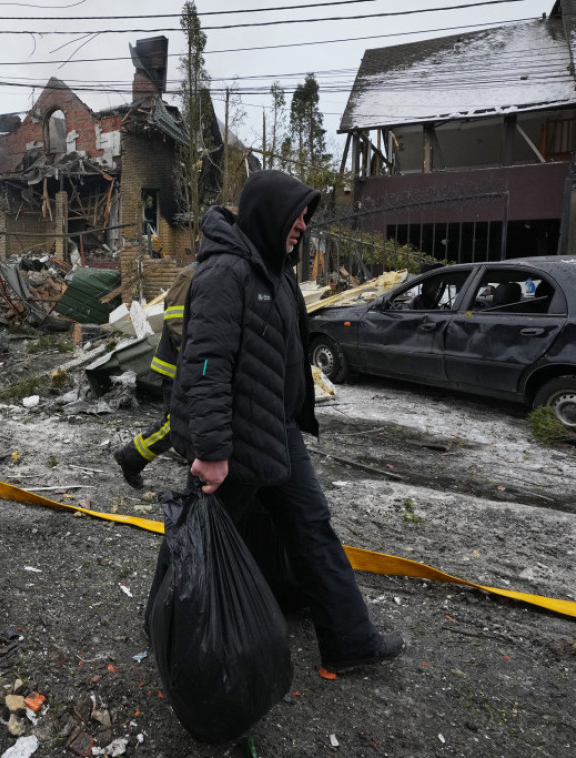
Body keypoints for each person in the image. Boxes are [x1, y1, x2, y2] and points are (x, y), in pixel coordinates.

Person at [168, 170, 406, 673]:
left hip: (276, 432)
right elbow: (205, 365)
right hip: (230, 446)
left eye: (305, 217)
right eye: (297, 215)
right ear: (268, 213)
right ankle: (170, 631)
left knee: (312, 528)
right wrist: (210, 452)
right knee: (200, 541)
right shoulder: (224, 273)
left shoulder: (274, 271)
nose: (302, 225)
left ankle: (349, 643)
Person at [113, 262, 195, 489]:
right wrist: (198, 360)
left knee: (187, 424)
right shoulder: (190, 274)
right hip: (179, 366)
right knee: (176, 424)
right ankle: (131, 456)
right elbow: (177, 322)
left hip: (193, 367)